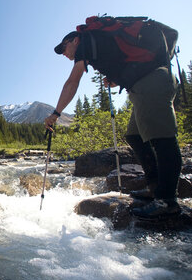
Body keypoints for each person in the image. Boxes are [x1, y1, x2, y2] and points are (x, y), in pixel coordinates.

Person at [45, 22, 182, 218]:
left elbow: (72, 82)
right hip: (143, 86)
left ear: (75, 40)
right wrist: (118, 79)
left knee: (163, 139)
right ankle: (154, 188)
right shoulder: (99, 43)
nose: (64, 53)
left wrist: (56, 113)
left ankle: (167, 201)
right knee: (134, 136)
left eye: (64, 47)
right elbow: (127, 60)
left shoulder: (85, 42)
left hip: (152, 82)